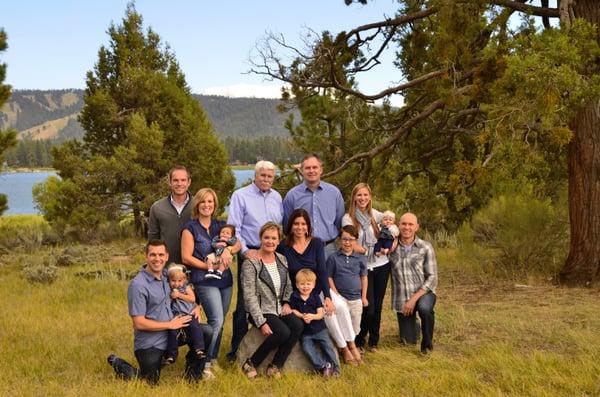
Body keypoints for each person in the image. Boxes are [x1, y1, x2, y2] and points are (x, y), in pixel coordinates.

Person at [107, 240, 208, 384]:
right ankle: (118, 363)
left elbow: (187, 287)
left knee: (207, 332)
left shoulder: (169, 276)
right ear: (146, 256)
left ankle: (192, 376)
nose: (157, 259)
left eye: (161, 254)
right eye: (153, 255)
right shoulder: (138, 285)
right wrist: (170, 325)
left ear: (167, 256)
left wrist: (196, 306)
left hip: (174, 332)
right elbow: (139, 323)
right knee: (149, 381)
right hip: (151, 342)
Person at [226, 160, 283, 361]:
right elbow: (234, 228)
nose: (266, 179)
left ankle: (270, 343)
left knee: (271, 301)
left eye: (270, 176)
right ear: (255, 176)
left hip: (272, 257)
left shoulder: (277, 197)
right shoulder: (240, 196)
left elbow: (279, 227)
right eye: (263, 175)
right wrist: (246, 252)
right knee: (244, 304)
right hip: (250, 255)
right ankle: (237, 351)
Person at [181, 188, 241, 378]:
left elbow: (238, 243)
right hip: (204, 280)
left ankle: (213, 359)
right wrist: (211, 266)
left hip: (225, 281)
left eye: (210, 202)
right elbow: (186, 257)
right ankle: (204, 364)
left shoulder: (220, 225)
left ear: (215, 205)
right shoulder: (190, 228)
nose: (207, 205)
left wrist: (229, 252)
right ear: (197, 205)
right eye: (203, 202)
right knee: (216, 320)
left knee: (220, 322)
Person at [240, 222, 304, 379]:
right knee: (282, 332)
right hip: (261, 310)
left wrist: (287, 303)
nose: (270, 241)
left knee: (297, 325)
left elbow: (288, 285)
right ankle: (251, 363)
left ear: (279, 240)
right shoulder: (251, 263)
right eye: (266, 237)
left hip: (279, 308)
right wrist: (261, 322)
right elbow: (249, 296)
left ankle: (275, 365)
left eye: (274, 238)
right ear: (260, 239)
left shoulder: (281, 259)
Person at [342, 183, 390, 353]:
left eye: (365, 195)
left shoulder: (377, 215)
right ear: (354, 197)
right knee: (367, 307)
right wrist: (370, 250)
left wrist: (388, 246)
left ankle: (374, 341)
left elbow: (392, 232)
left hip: (382, 264)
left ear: (370, 197)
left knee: (378, 305)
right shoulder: (348, 218)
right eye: (359, 195)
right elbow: (350, 242)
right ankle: (359, 339)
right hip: (362, 266)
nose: (362, 198)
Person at [389, 212, 438, 355]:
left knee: (425, 309)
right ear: (398, 225)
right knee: (408, 341)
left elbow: (432, 278)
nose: (407, 227)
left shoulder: (425, 247)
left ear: (417, 227)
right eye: (404, 224)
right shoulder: (391, 248)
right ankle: (415, 326)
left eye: (411, 224)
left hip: (424, 293)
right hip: (402, 298)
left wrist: (413, 300)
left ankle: (427, 345)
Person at [282, 154, 345, 257]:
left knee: (329, 274)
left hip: (329, 249)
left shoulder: (334, 193)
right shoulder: (292, 196)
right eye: (307, 168)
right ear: (302, 171)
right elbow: (287, 226)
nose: (311, 171)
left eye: (315, 167)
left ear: (321, 170)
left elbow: (339, 221)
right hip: (302, 249)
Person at [326, 225, 368, 363]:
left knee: (355, 325)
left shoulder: (360, 258)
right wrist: (335, 293)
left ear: (356, 240)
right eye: (344, 239)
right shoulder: (333, 258)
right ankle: (345, 349)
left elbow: (364, 277)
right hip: (341, 297)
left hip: (356, 298)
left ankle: (352, 344)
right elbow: (329, 277)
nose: (347, 242)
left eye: (351, 239)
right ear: (340, 240)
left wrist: (363, 296)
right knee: (343, 322)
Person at [289, 269, 341, 377]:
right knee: (307, 349)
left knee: (328, 347)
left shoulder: (315, 297)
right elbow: (293, 310)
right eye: (302, 284)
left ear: (313, 285)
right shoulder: (294, 296)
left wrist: (312, 316)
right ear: (297, 285)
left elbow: (321, 313)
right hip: (305, 333)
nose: (305, 286)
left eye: (308, 284)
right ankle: (323, 366)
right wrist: (301, 315)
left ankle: (336, 368)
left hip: (320, 329)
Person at [148, 166, 193, 264]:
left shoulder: (198, 206)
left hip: (194, 266)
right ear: (170, 182)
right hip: (166, 267)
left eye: (183, 180)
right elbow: (153, 239)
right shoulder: (157, 207)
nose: (179, 184)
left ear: (189, 182)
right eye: (175, 180)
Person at [163, 263, 205, 365]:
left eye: (179, 281)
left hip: (188, 314)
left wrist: (179, 295)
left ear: (184, 280)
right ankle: (171, 355)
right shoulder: (169, 290)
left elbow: (192, 299)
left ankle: (199, 349)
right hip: (176, 316)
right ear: (169, 280)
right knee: (173, 333)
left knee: (195, 328)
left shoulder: (186, 288)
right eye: (173, 281)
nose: (176, 284)